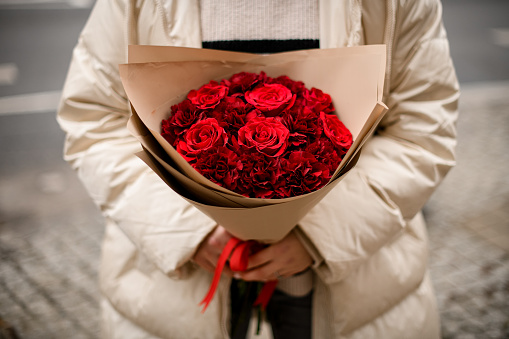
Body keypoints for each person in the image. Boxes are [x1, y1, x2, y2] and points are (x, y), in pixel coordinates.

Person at [57, 0, 459, 338]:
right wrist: (189, 230)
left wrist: (321, 236)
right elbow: (95, 119)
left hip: (356, 295)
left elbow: (422, 128)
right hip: (175, 300)